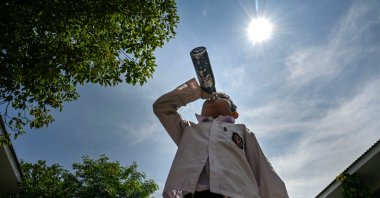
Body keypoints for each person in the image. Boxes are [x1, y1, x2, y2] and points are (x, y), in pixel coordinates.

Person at [153, 78, 289, 198]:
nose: (213, 96)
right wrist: (196, 92)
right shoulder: (188, 130)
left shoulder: (242, 131)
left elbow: (265, 172)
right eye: (208, 98)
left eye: (221, 96)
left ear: (234, 114)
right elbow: (162, 107)